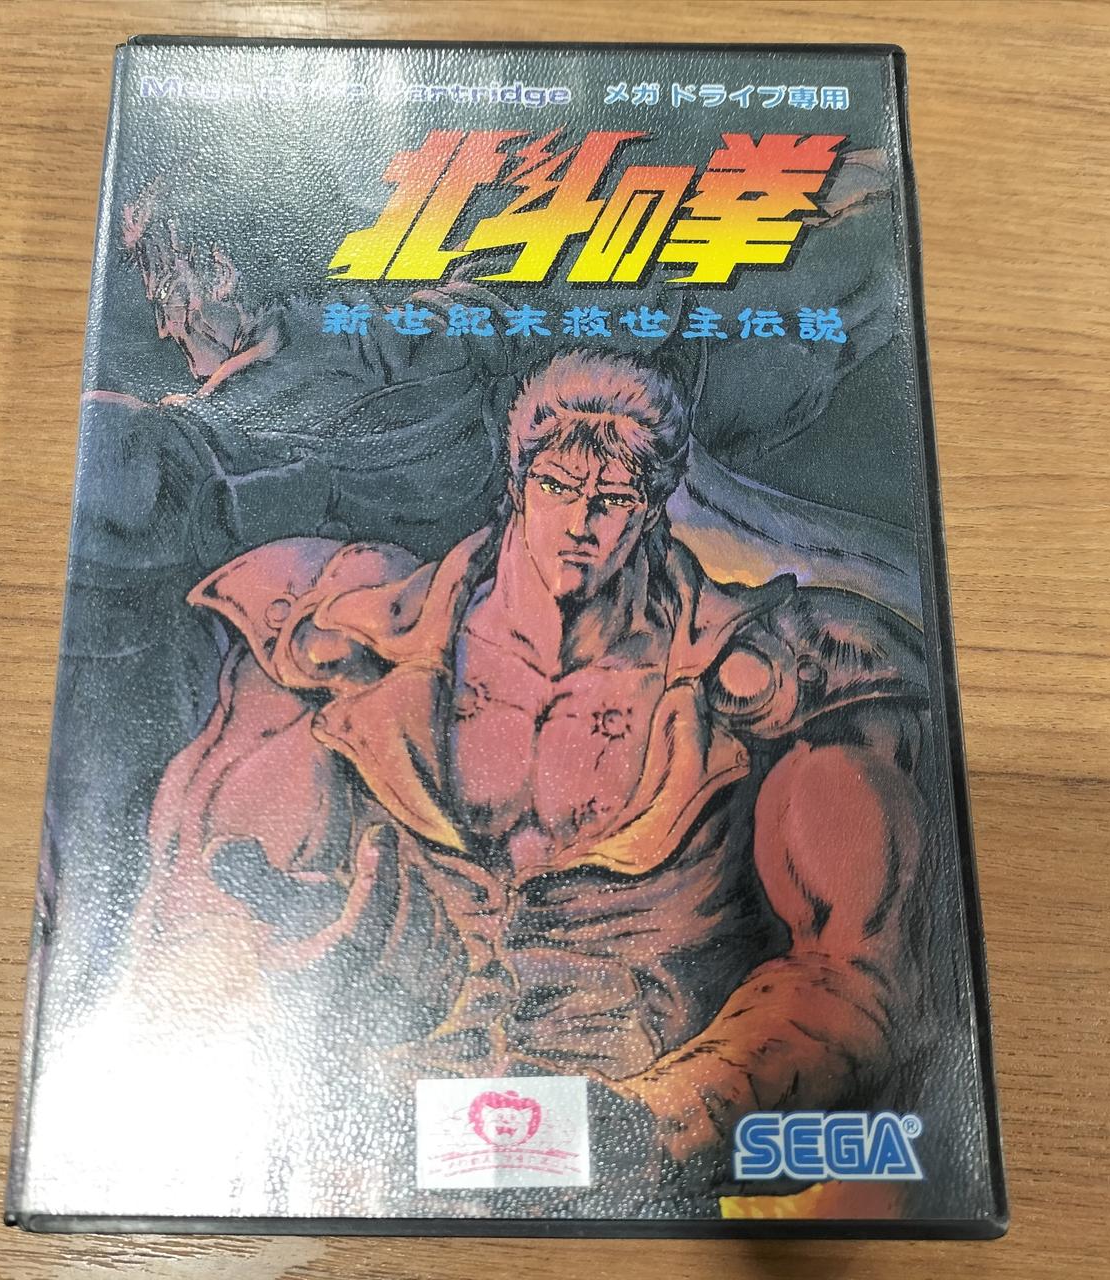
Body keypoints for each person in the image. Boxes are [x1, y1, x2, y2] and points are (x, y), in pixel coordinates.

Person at [134, 350, 940, 1218]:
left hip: (635, 1154)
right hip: (362, 1149)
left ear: (652, 505)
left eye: (613, 498)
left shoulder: (783, 678)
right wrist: (310, 971)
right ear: (518, 481)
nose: (581, 523)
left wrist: (658, 1121)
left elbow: (853, 977)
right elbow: (188, 923)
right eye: (559, 487)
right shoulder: (338, 637)